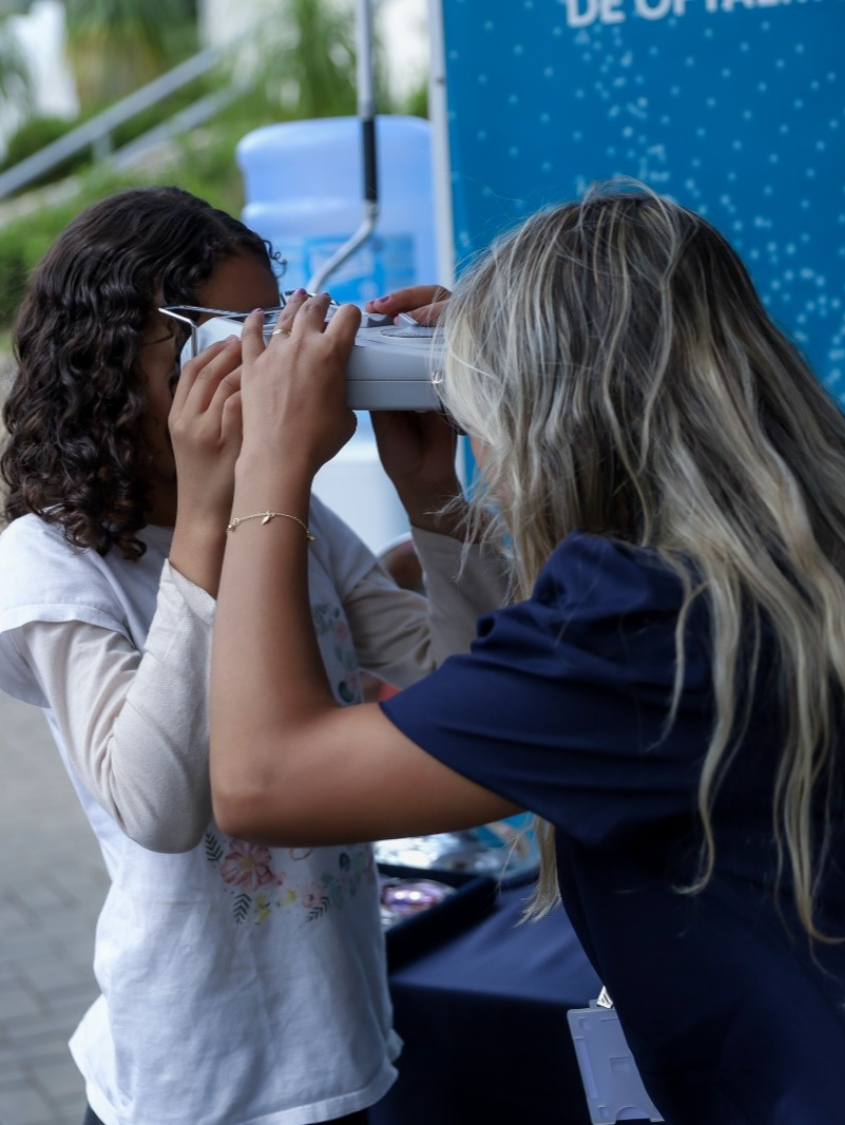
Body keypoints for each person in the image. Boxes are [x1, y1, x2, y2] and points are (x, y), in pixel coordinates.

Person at [200, 182, 845, 1124]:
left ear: (557, 406)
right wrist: (435, 495)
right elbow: (523, 703)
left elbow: (262, 779)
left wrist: (266, 467)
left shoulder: (645, 619)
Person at [0, 186, 507, 1125]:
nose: (269, 361)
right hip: (192, 1079)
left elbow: (475, 690)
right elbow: (156, 804)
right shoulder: (50, 560)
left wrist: (433, 495)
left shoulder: (297, 525)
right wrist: (211, 516)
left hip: (343, 1042)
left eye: (275, 325)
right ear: (113, 356)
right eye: (229, 333)